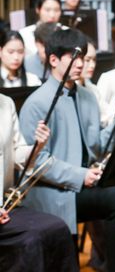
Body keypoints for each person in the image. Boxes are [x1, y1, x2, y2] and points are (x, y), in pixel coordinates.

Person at [19, 28, 115, 272]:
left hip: (81, 184)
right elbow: (34, 162)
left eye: (83, 57)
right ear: (53, 60)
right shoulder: (36, 102)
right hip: (52, 190)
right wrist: (81, 175)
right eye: (73, 57)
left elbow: (98, 147)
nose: (80, 64)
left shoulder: (87, 97)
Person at [0, 93, 79, 272]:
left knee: (58, 229)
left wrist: (37, 147)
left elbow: (17, 151)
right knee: (31, 240)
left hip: (6, 207)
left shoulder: (5, 102)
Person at [77, 37, 111, 128]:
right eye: (87, 60)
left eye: (94, 60)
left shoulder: (93, 89)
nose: (92, 65)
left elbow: (107, 118)